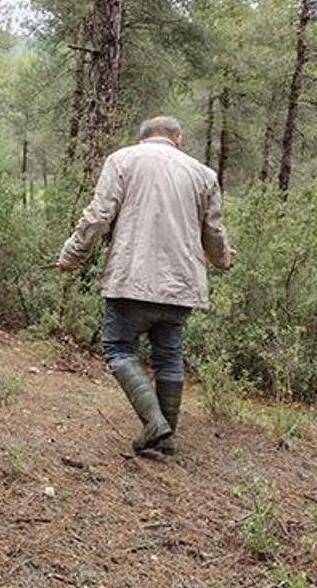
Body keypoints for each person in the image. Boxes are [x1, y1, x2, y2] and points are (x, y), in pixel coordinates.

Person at [56, 116, 234, 455]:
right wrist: (223, 259)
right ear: (178, 138)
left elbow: (98, 216)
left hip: (131, 278)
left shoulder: (121, 160)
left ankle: (155, 425)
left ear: (143, 137)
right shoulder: (204, 174)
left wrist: (71, 256)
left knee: (119, 349)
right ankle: (165, 442)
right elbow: (213, 232)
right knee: (169, 357)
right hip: (180, 285)